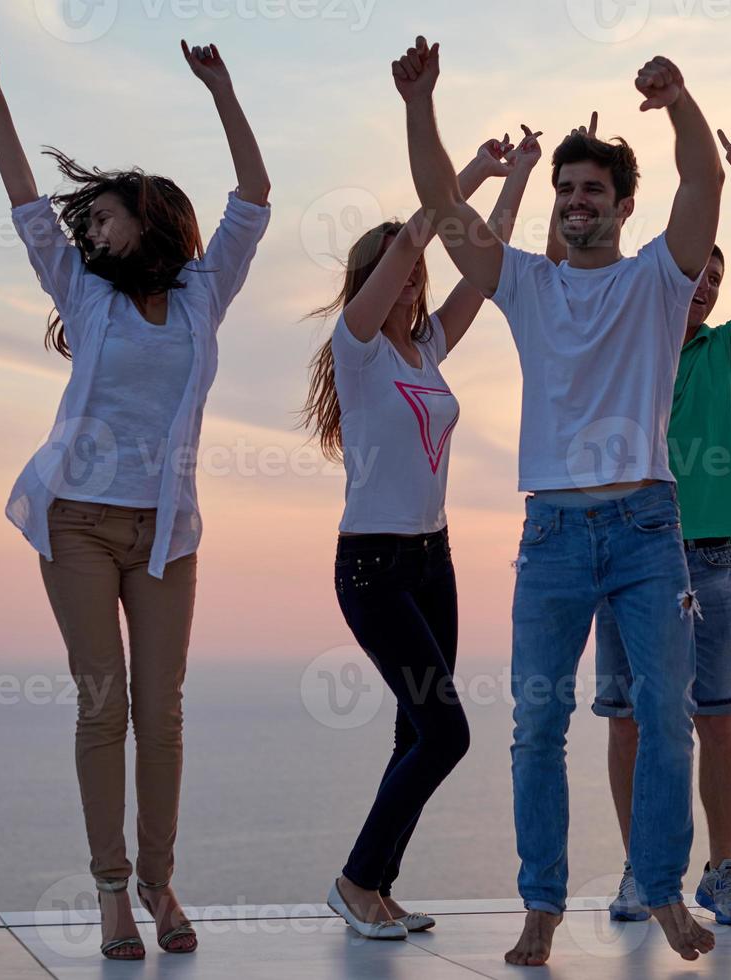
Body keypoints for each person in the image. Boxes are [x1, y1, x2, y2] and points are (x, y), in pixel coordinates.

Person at [392, 35, 724, 965]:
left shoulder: (659, 278)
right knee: (536, 724)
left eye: (594, 192)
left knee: (666, 720)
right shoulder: (526, 284)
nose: (577, 202)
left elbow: (705, 186)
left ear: (623, 206)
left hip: (647, 530)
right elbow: (443, 208)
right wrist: (421, 105)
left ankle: (660, 890)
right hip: (551, 536)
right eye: (566, 191)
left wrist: (681, 100)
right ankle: (541, 903)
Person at [0, 31, 270, 960]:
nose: (88, 230)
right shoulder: (82, 292)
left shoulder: (203, 292)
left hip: (168, 529)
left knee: (161, 709)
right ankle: (111, 896)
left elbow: (254, 197)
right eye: (86, 220)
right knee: (104, 705)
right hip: (79, 519)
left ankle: (161, 880)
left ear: (150, 218)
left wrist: (222, 88)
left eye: (103, 217)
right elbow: (22, 199)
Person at [304, 127, 542, 940]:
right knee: (447, 731)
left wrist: (519, 179)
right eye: (399, 272)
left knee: (414, 730)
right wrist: (469, 169)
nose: (412, 281)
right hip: (371, 564)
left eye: (416, 276)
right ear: (377, 280)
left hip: (431, 558)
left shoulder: (428, 346)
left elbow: (490, 255)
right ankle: (353, 877)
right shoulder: (359, 345)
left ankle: (378, 889)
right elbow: (420, 232)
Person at [571, 117, 731, 927]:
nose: (699, 282)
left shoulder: (727, 350)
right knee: (628, 720)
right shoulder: (624, 338)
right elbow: (581, 273)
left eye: (713, 275)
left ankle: (722, 871)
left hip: (707, 562)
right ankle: (640, 871)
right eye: (692, 270)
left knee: (717, 718)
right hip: (627, 548)